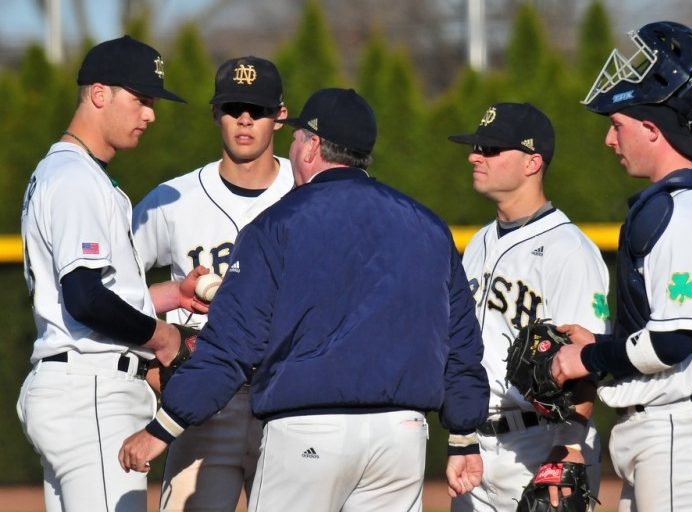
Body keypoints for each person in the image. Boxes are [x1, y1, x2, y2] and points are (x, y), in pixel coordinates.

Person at [119, 87, 490, 511]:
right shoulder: (427, 226)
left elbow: (231, 347)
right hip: (401, 435)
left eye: (296, 138)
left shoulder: (275, 225)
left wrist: (162, 429)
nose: (291, 147)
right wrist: (463, 437)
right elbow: (460, 342)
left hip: (308, 433)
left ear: (312, 146)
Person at [552, 22, 692, 511]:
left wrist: (590, 360)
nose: (609, 140)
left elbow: (674, 338)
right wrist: (600, 344)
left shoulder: (684, 207)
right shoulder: (682, 201)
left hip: (682, 432)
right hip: (669, 431)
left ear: (652, 128)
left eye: (617, 125)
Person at [15, 36, 189, 512]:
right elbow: (86, 299)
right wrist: (163, 338)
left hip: (77, 387)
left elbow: (103, 296)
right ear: (98, 94)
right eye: (141, 100)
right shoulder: (74, 178)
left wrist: (173, 294)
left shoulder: (72, 174)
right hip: (92, 392)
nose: (150, 115)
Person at [131, 55, 294, 511]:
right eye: (233, 107)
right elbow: (113, 292)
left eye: (257, 109)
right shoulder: (171, 199)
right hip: (198, 403)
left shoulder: (306, 196)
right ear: (215, 113)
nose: (245, 119)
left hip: (283, 400)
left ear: (280, 116)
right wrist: (147, 358)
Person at [447, 102, 610, 511]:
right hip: (475, 448)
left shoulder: (569, 251)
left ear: (532, 162)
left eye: (490, 149)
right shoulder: (478, 243)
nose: (474, 156)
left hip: (541, 444)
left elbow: (585, 359)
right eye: (476, 147)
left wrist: (568, 446)